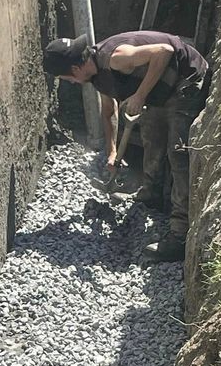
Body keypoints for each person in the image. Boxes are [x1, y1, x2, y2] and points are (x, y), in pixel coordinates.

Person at [43, 31, 211, 262]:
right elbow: (109, 110)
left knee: (178, 153)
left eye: (67, 78)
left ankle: (180, 233)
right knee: (152, 136)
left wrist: (140, 96)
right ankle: (151, 195)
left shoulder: (115, 58)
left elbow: (165, 52)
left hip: (186, 77)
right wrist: (112, 152)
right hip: (162, 88)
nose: (71, 82)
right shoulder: (95, 75)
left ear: (75, 70)